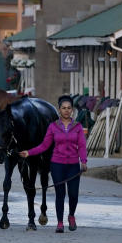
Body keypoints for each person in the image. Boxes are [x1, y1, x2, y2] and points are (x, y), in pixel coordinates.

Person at [18, 95, 87, 233]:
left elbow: (82, 146)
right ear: (59, 110)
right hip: (57, 165)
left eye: (69, 108)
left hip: (73, 165)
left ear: (72, 110)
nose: (66, 111)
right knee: (60, 194)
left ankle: (71, 215)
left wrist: (83, 161)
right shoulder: (53, 127)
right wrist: (29, 153)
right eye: (63, 108)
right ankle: (60, 223)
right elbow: (44, 146)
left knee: (73, 195)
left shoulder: (78, 127)